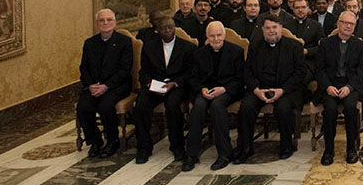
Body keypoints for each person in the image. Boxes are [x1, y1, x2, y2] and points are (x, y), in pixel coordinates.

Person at [235, 14, 306, 164]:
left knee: (283, 108)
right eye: (268, 28)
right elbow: (247, 71)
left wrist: (282, 90)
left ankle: (286, 146)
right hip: (260, 89)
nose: (271, 31)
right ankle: (246, 147)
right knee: (246, 107)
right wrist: (255, 90)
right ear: (262, 30)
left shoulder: (295, 46)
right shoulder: (255, 46)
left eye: (274, 27)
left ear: (281, 28)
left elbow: (300, 73)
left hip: (285, 90)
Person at [133, 13, 196, 164]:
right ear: (157, 30)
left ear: (175, 28)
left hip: (176, 86)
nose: (167, 31)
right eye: (163, 28)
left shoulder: (188, 47)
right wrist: (150, 84)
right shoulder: (149, 47)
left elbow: (191, 73)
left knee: (172, 105)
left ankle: (177, 146)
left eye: (170, 27)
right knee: (141, 104)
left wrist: (174, 83)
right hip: (155, 86)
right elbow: (144, 72)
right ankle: (144, 147)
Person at [183, 21, 244, 171]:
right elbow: (193, 77)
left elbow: (240, 78)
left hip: (227, 90)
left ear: (224, 35)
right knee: (198, 107)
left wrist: (223, 89)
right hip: (206, 90)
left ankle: (224, 154)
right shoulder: (199, 54)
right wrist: (202, 89)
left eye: (218, 35)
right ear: (207, 37)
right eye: (212, 36)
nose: (216, 39)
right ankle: (192, 154)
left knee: (217, 106)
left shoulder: (236, 51)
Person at [76, 9, 133, 158]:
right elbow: (84, 68)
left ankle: (113, 140)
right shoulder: (89, 43)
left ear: (114, 22)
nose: (105, 23)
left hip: (117, 86)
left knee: (105, 106)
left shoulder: (124, 42)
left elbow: (125, 69)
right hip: (94, 86)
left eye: (109, 20)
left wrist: (106, 86)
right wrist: (90, 86)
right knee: (84, 107)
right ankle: (95, 141)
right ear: (97, 24)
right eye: (102, 20)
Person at [315, 11, 363, 165]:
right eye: (345, 23)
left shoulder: (359, 44)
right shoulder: (325, 43)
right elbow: (319, 69)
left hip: (349, 85)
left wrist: (350, 87)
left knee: (351, 108)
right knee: (329, 110)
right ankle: (328, 151)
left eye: (352, 24)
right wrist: (328, 86)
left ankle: (351, 149)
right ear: (338, 24)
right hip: (330, 85)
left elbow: (362, 71)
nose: (348, 26)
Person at [287, 0, 322, 77]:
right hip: (290, 63)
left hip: (309, 64)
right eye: (297, 7)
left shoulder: (316, 25)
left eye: (303, 7)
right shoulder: (286, 26)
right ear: (293, 9)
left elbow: (322, 46)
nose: (300, 10)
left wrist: (307, 51)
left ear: (308, 9)